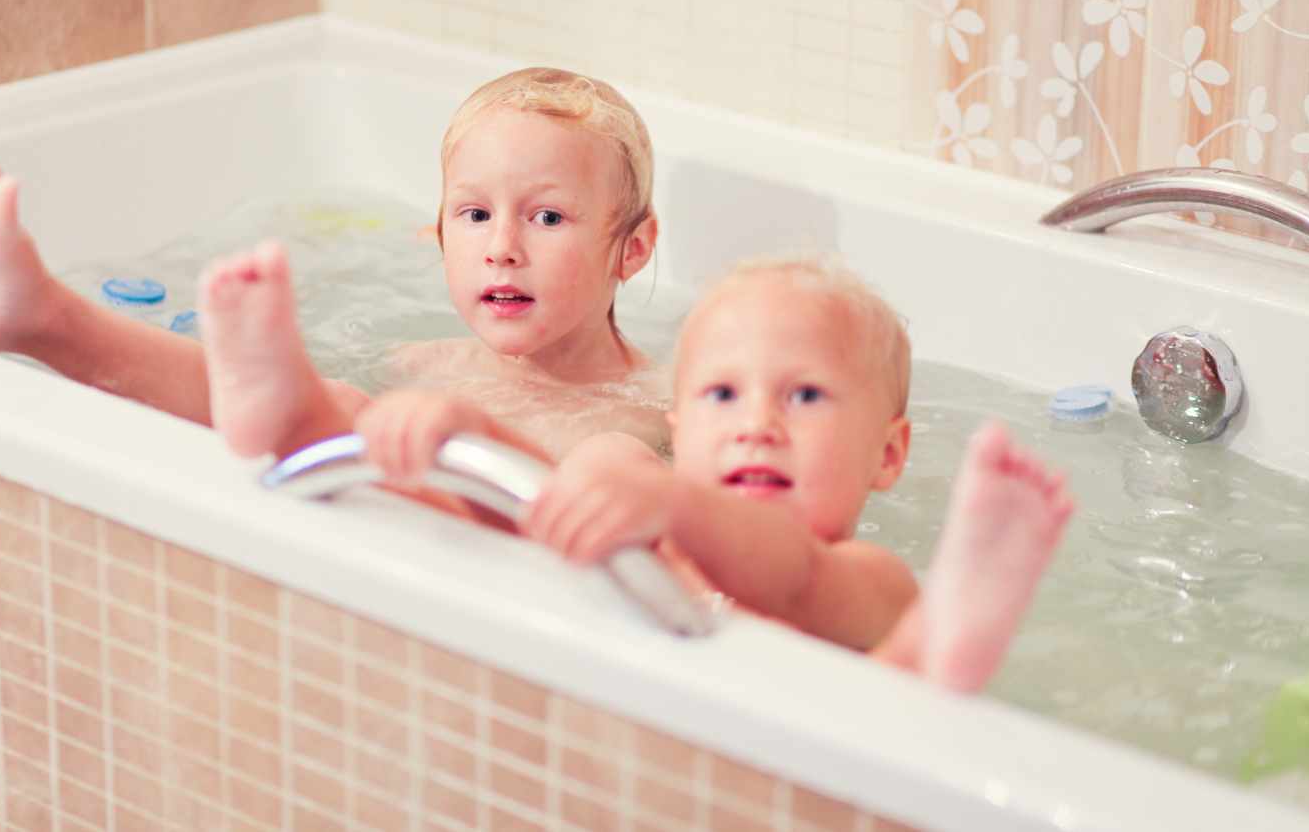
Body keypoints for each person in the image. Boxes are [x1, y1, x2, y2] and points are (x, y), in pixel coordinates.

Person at [356, 258, 1074, 691]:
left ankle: (945, 639)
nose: (757, 424)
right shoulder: (657, 517)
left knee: (899, 669)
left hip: (823, 770)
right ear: (680, 429)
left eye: (806, 396)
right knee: (576, 488)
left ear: (886, 456)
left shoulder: (870, 578)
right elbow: (546, 508)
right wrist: (471, 434)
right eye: (723, 395)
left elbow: (794, 580)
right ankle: (298, 406)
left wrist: (672, 501)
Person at [0, 67, 667, 459]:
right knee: (318, 402)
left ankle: (43, 317)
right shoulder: (423, 363)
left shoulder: (664, 409)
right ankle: (41, 318)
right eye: (474, 215)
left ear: (631, 249)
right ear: (439, 237)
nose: (502, 246)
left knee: (336, 412)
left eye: (546, 217)